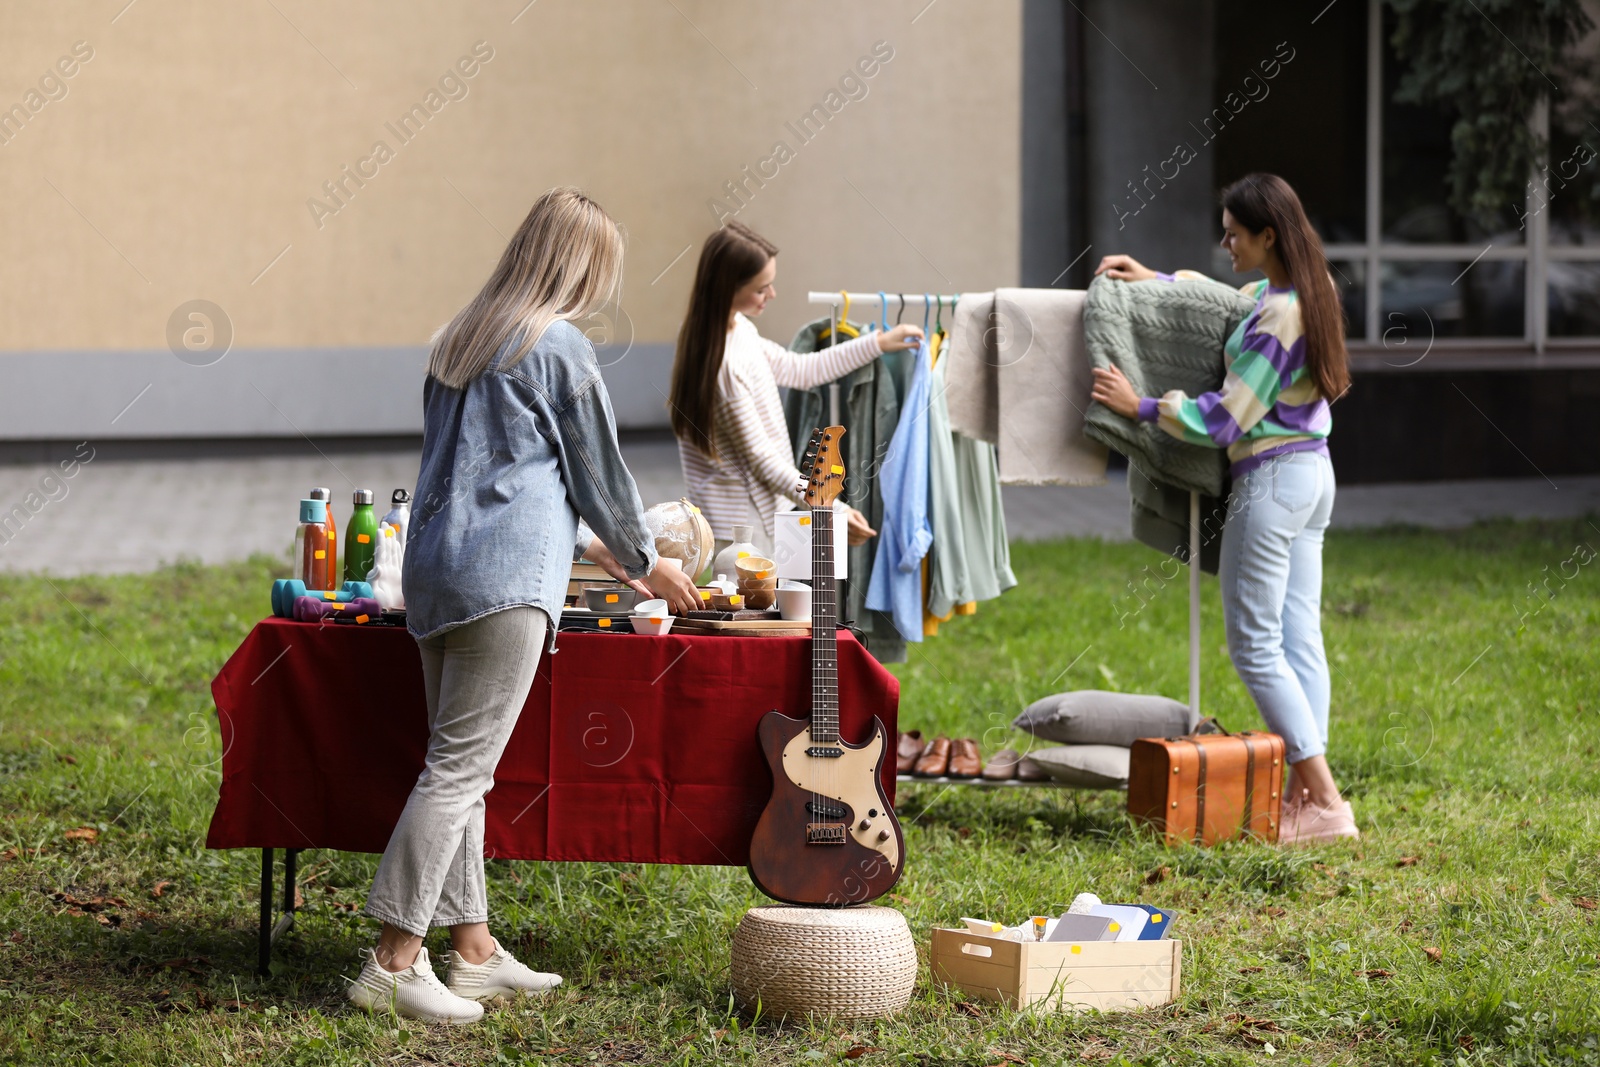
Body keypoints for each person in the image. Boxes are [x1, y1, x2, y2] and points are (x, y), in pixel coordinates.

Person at [348, 188, 701, 1025]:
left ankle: (471, 951)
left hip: (436, 576)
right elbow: (600, 474)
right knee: (459, 771)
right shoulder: (560, 346)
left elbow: (481, 476)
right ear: (578, 264)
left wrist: (601, 551)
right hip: (506, 586)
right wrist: (648, 563)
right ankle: (391, 961)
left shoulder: (458, 340)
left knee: (459, 766)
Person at [1089, 172, 1357, 846]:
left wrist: (1142, 407)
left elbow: (1229, 417)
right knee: (1298, 638)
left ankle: (1324, 799)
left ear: (1268, 235)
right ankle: (1308, 793)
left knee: (1256, 645)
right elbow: (1228, 301)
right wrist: (1157, 279)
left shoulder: (1279, 316)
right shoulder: (1304, 291)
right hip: (1311, 475)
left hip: (1269, 481)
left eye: (1235, 233)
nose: (1224, 241)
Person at [668, 221, 923, 561]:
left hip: (756, 523)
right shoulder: (725, 367)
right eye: (762, 288)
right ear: (727, 288)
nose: (771, 294)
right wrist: (831, 508)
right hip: (744, 533)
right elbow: (764, 463)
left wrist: (876, 343)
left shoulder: (736, 330)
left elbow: (800, 369)